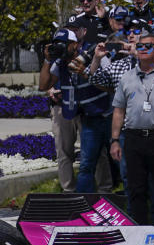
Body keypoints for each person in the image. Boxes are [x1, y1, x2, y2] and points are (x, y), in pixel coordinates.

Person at [110, 32, 154, 237]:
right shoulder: (127, 77)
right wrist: (114, 140)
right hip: (134, 138)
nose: (143, 50)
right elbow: (119, 110)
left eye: (148, 46)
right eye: (140, 46)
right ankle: (139, 239)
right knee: (136, 191)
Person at [39, 27, 114, 193]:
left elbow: (112, 84)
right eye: (56, 44)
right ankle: (74, 195)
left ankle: (105, 192)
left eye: (63, 44)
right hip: (74, 110)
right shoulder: (59, 63)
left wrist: (85, 72)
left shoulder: (93, 56)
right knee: (75, 157)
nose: (60, 47)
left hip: (98, 113)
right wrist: (47, 60)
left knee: (99, 155)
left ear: (75, 45)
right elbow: (43, 85)